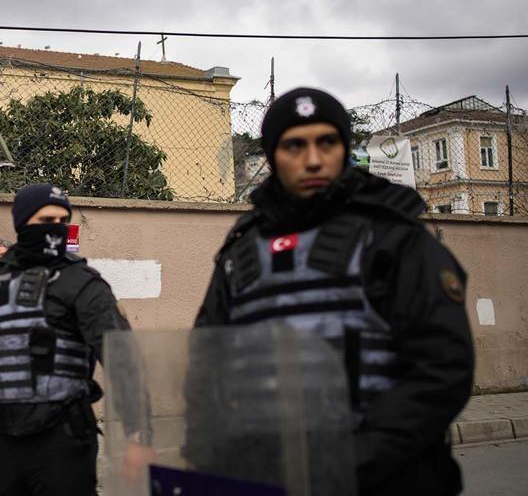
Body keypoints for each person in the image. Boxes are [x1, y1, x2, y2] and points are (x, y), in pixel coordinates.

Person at [195, 87, 474, 496]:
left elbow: (442, 369)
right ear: (273, 156)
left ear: (343, 147)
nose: (312, 159)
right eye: (294, 145)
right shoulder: (241, 253)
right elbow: (207, 366)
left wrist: (351, 462)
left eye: (327, 142)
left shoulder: (392, 237)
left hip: (385, 479)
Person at [0, 183, 130, 495]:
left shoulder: (83, 284)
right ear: (21, 223)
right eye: (45, 221)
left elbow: (123, 358)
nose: (54, 229)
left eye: (61, 221)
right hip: (2, 443)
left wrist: (138, 434)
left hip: (64, 443)